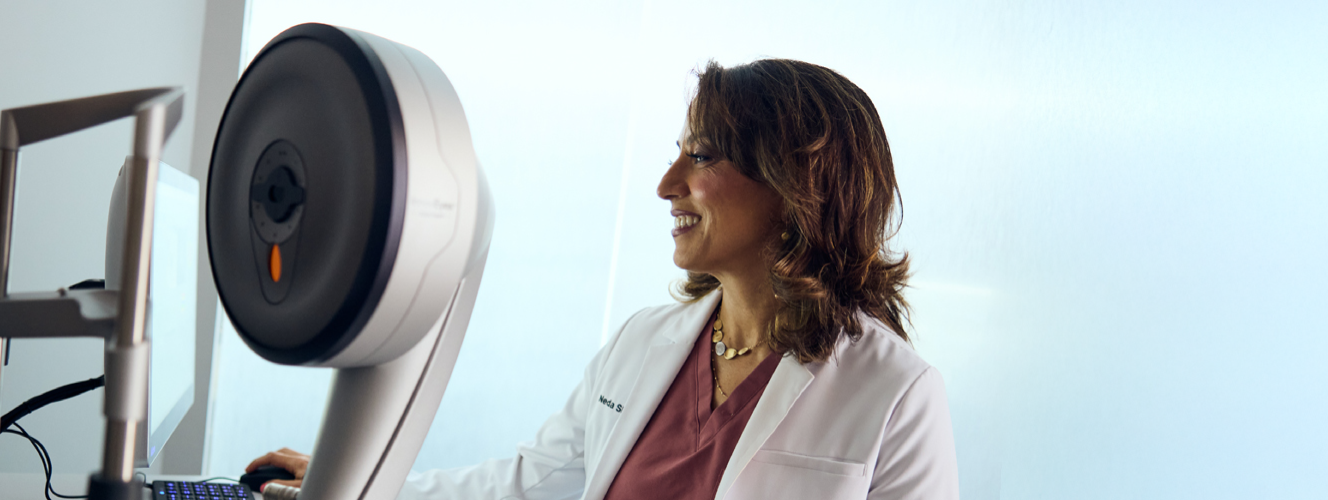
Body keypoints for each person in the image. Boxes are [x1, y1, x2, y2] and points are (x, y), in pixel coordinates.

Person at [246, 58, 959, 500]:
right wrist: (360, 485)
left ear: (794, 184)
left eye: (701, 157)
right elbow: (529, 483)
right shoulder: (646, 342)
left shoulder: (895, 393)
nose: (666, 184)